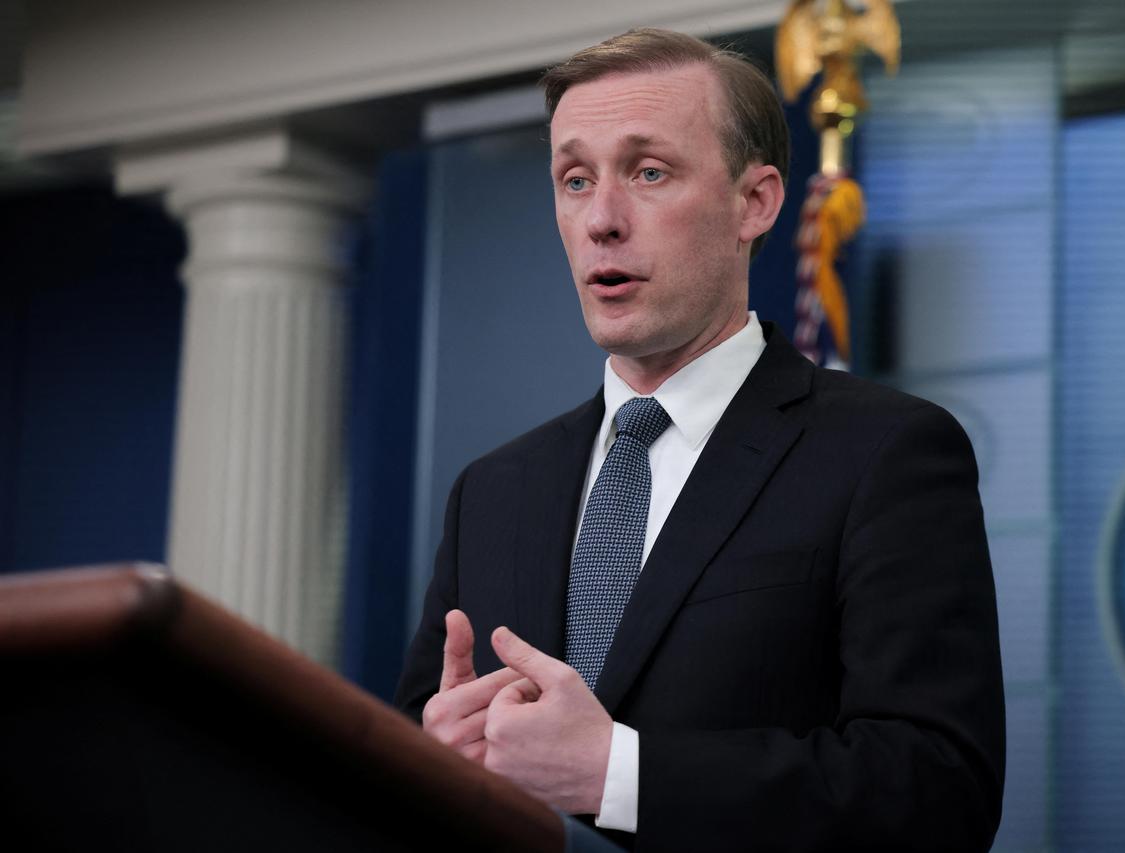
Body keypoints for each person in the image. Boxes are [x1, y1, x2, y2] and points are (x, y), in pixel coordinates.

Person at [395, 27, 1005, 853]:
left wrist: (616, 771)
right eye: (575, 179)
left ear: (754, 203)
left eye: (649, 172)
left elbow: (938, 790)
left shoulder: (885, 453)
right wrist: (431, 765)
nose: (601, 220)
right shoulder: (492, 491)